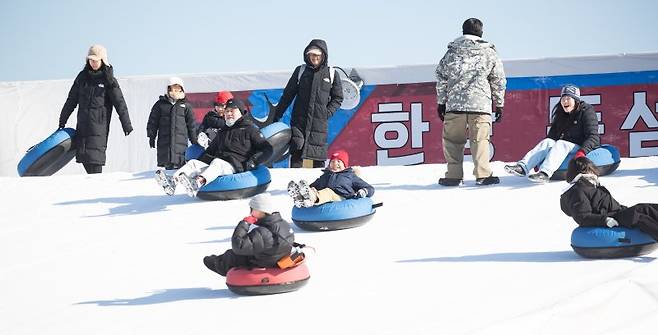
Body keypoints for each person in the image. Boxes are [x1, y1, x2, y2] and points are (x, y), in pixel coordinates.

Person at [435, 18, 506, 186]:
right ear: (481, 33)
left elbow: (441, 78)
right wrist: (499, 103)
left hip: (455, 105)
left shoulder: (451, 52)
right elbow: (498, 80)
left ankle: (453, 176)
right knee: (480, 141)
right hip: (480, 105)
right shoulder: (489, 53)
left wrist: (441, 102)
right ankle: (483, 175)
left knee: (452, 141)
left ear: (462, 31)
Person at [154, 98, 273, 196]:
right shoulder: (223, 132)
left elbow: (267, 149)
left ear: (241, 112)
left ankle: (197, 183)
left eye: (232, 111)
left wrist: (253, 161)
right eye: (227, 111)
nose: (229, 114)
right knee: (194, 163)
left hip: (236, 165)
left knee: (217, 163)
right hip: (219, 163)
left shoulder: (250, 129)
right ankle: (173, 182)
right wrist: (199, 164)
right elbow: (210, 152)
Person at [59, 44, 133, 174]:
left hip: (98, 128)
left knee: (95, 162)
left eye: (96, 60)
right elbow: (71, 100)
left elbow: (120, 103)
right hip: (82, 126)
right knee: (86, 161)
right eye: (90, 60)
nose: (93, 63)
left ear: (103, 60)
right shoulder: (82, 78)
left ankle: (99, 192)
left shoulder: (109, 80)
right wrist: (62, 119)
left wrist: (126, 124)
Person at [504, 84, 600, 183]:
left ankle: (545, 174)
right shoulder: (561, 113)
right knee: (547, 142)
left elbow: (593, 137)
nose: (565, 101)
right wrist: (539, 160)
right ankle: (523, 167)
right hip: (564, 146)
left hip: (580, 145)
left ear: (576, 100)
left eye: (568, 98)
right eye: (563, 98)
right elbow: (552, 137)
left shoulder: (586, 111)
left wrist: (582, 152)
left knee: (561, 143)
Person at [273, 39, 343, 168]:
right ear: (307, 55)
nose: (314, 58)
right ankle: (294, 183)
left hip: (319, 124)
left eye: (317, 55)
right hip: (299, 122)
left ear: (323, 55)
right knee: (297, 149)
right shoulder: (300, 71)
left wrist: (326, 113)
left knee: (318, 158)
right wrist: (277, 115)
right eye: (312, 54)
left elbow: (338, 98)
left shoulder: (332, 73)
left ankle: (318, 186)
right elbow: (288, 95)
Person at [560, 157, 658, 240]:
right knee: (637, 216)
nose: (593, 173)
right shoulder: (578, 190)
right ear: (582, 171)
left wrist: (625, 209)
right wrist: (605, 220)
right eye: (590, 170)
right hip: (609, 217)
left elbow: (610, 205)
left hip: (616, 213)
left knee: (643, 208)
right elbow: (582, 216)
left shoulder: (591, 185)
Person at [203, 193, 295, 276]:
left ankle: (218, 264)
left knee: (233, 255)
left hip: (264, 262)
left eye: (252, 209)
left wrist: (244, 224)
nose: (250, 213)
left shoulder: (262, 232)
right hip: (275, 257)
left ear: (260, 210)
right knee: (251, 247)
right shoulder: (284, 224)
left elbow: (238, 246)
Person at [287, 149, 374, 208]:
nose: (335, 164)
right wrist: (308, 189)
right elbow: (313, 185)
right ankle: (300, 198)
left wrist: (364, 191)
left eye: (339, 161)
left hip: (342, 198)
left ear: (345, 165)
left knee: (328, 192)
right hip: (324, 197)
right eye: (332, 162)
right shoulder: (326, 175)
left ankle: (311, 198)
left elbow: (370, 188)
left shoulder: (350, 176)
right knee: (312, 189)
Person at [146, 77, 198, 170]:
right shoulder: (160, 104)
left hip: (180, 143)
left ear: (182, 89)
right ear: (168, 89)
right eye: (173, 88)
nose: (176, 91)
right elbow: (152, 122)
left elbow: (191, 125)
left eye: (178, 89)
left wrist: (194, 141)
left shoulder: (186, 106)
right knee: (168, 165)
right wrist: (151, 136)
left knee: (180, 165)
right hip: (165, 143)